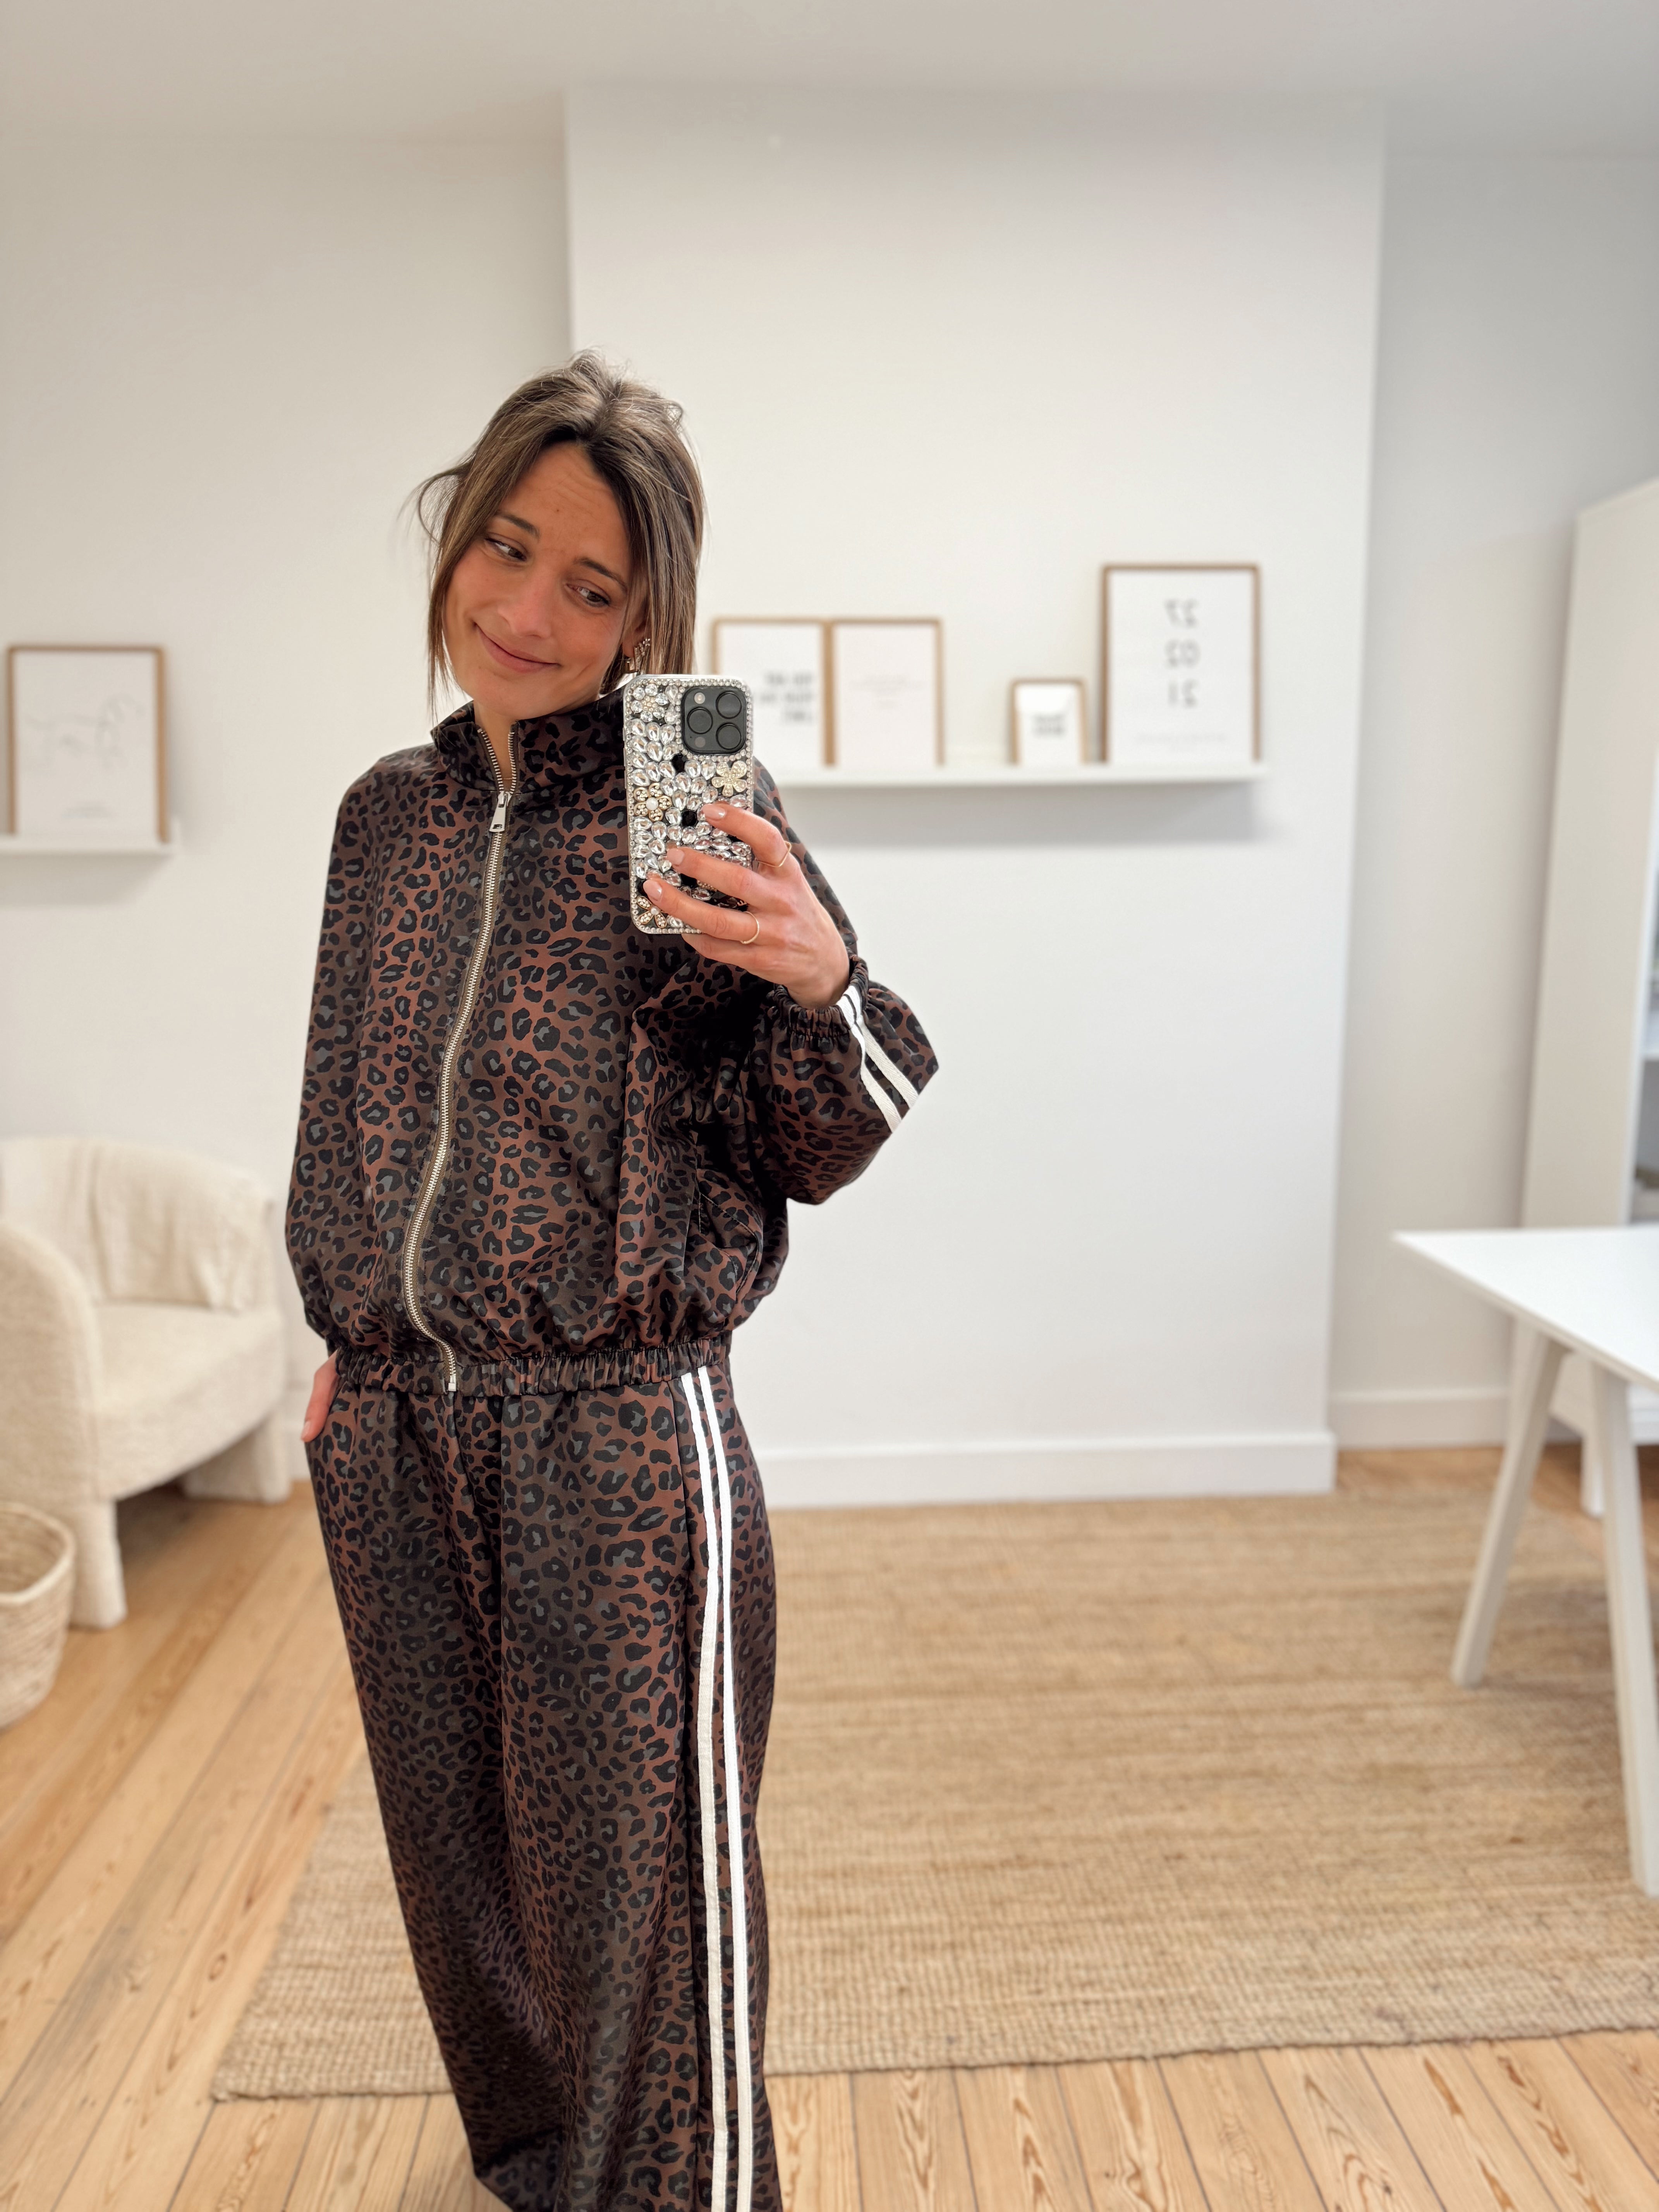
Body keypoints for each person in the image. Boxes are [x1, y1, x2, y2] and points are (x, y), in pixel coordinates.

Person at [286, 353, 936, 2212]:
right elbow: (342, 1087)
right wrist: (343, 1327)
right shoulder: (383, 820)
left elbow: (820, 1135)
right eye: (507, 549)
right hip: (396, 1426)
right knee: (465, 1870)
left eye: (593, 587)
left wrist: (824, 981)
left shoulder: (691, 814)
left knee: (643, 1898)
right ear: (453, 538)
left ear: (652, 620)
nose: (530, 612)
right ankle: (539, 2169)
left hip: (620, 1436)